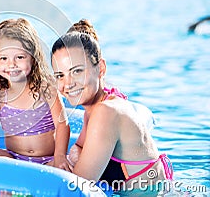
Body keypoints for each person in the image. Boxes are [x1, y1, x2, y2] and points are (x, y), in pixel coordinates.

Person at [51, 23, 173, 194]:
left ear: (101, 68)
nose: (68, 84)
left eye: (77, 71)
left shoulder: (105, 112)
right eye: (60, 75)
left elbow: (77, 188)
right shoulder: (96, 106)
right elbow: (78, 148)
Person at [0, 18, 70, 170]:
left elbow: (62, 124)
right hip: (13, 158)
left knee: (75, 161)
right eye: (3, 58)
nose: (11, 64)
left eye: (20, 57)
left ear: (33, 58)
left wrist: (60, 156)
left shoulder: (46, 87)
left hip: (49, 160)